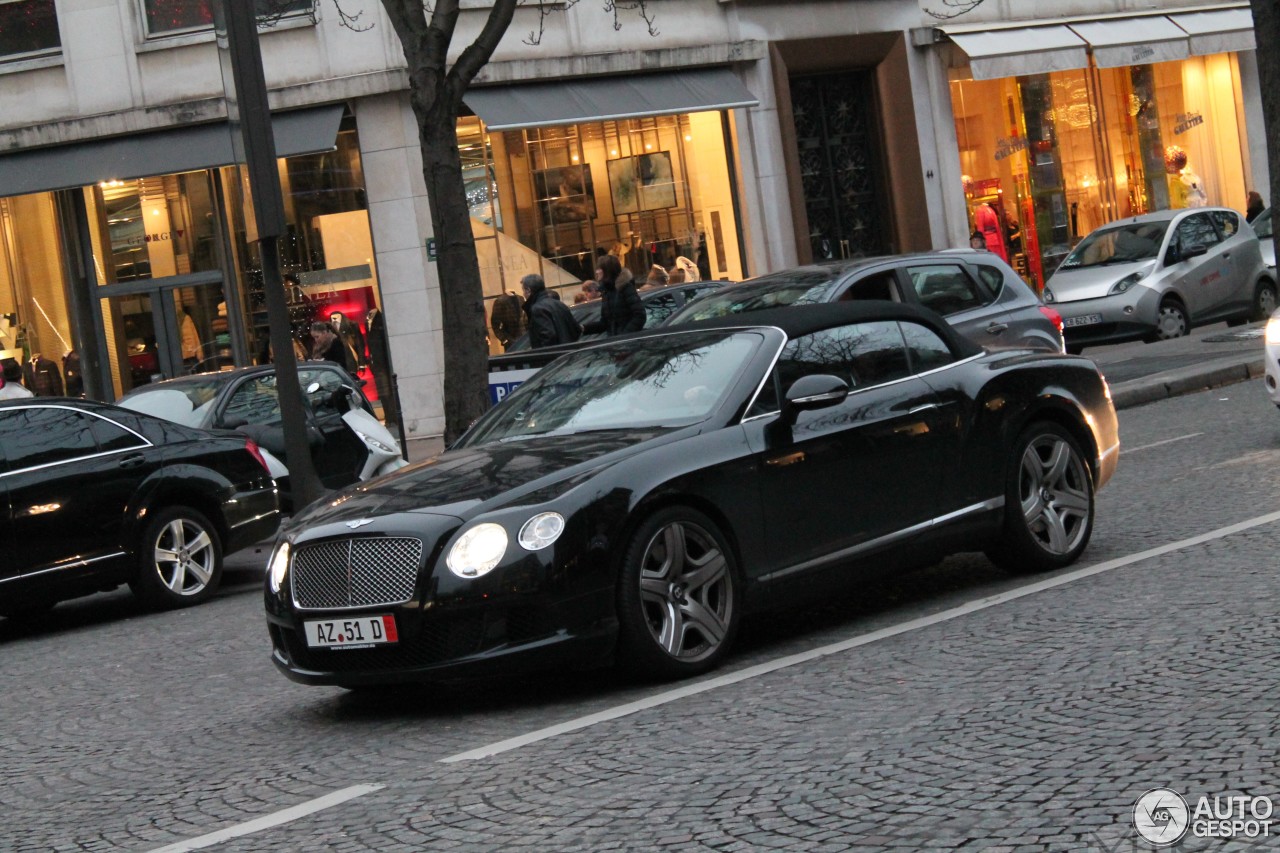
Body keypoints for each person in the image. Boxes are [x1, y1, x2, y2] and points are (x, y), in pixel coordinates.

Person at [583, 255, 646, 337]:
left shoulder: (625, 288)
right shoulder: (606, 291)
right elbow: (605, 323)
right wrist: (584, 328)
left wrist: (625, 337)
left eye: (599, 269)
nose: (596, 272)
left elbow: (640, 315)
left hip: (628, 344)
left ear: (607, 270)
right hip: (615, 343)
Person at [521, 274, 582, 349]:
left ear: (528, 290)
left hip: (554, 357)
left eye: (523, 290)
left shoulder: (538, 309)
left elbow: (548, 337)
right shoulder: (559, 304)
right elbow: (576, 330)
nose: (523, 294)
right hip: (570, 355)